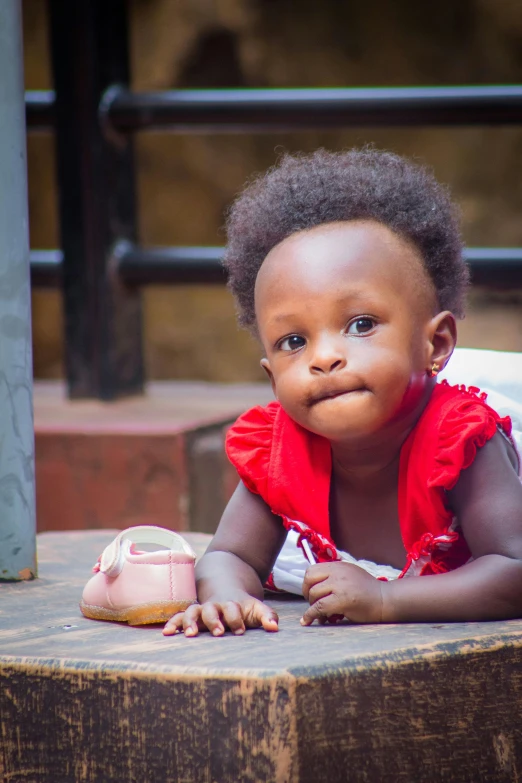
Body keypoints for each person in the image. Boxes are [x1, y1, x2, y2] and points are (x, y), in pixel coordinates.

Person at [163, 148, 522, 638]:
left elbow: (513, 569)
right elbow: (229, 555)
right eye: (294, 341)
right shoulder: (281, 449)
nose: (324, 357)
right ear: (272, 378)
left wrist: (383, 599)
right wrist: (227, 595)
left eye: (360, 324)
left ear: (435, 343)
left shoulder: (461, 441)